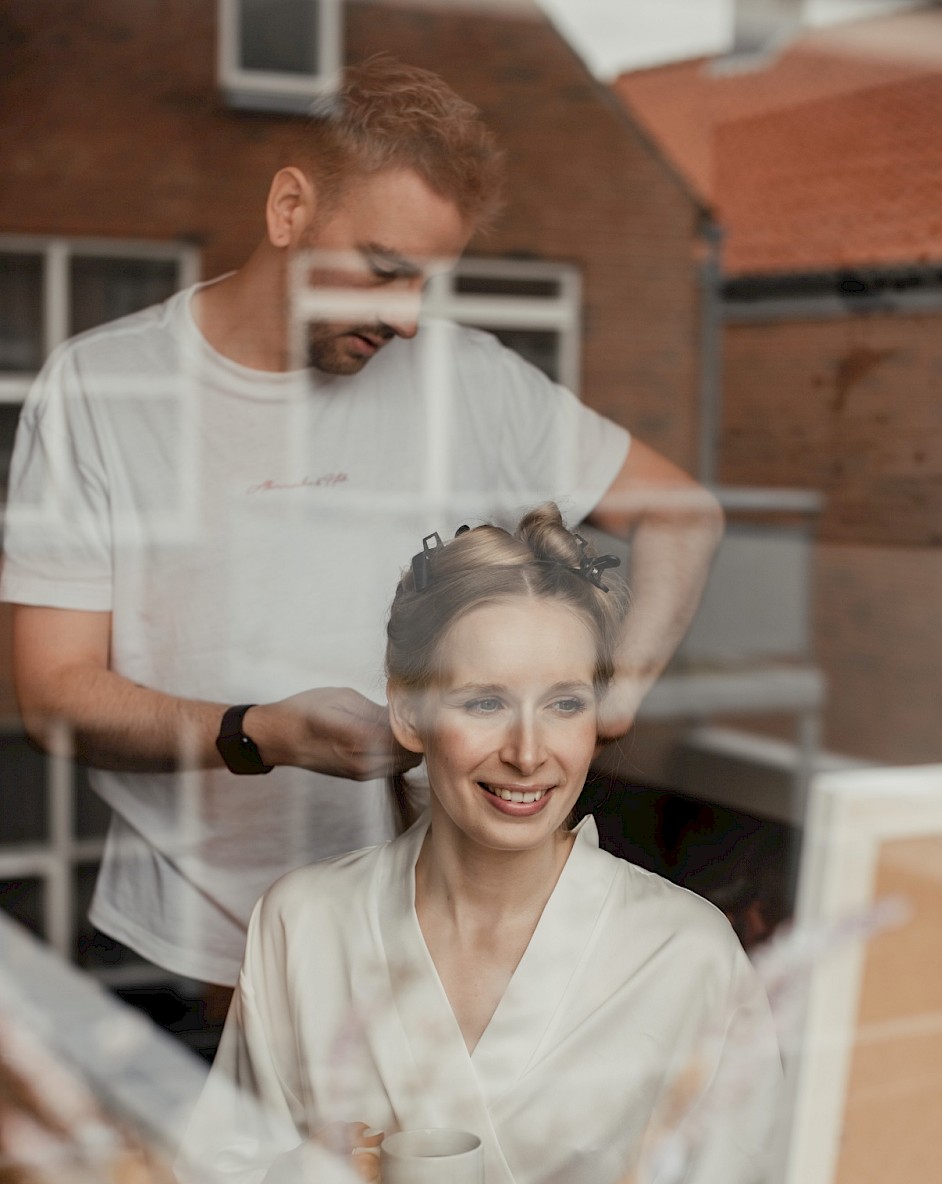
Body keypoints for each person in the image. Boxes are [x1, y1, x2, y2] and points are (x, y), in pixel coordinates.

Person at [0, 58, 723, 1009]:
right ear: (290, 209)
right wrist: (260, 734)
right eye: (385, 271)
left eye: (430, 280)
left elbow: (684, 516)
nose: (410, 317)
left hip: (417, 969)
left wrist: (607, 698)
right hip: (183, 960)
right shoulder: (103, 387)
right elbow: (52, 696)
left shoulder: (476, 381)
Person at [183, 507, 781, 1184]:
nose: (527, 751)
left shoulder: (681, 952)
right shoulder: (304, 922)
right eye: (482, 701)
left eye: (562, 703)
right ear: (409, 711)